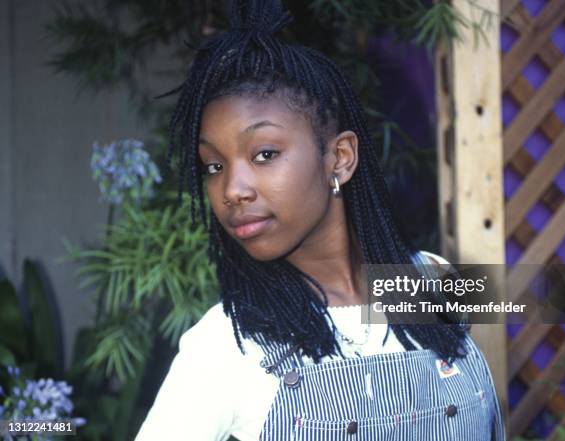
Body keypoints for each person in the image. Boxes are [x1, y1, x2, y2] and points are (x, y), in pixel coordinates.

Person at [135, 0, 505, 439]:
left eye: (264, 154)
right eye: (213, 166)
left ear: (340, 158)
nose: (232, 189)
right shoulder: (224, 348)